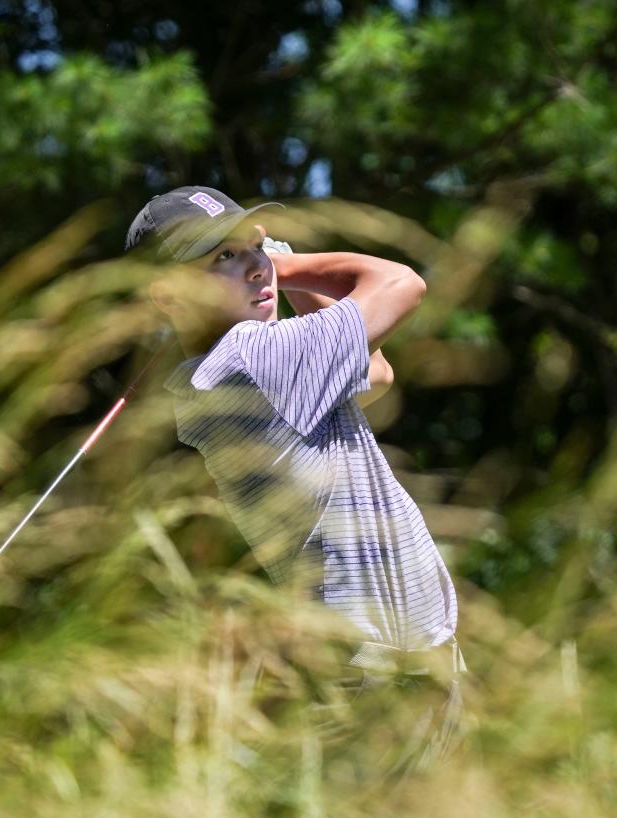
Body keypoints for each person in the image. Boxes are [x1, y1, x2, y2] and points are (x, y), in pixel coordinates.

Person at [124, 185, 468, 779]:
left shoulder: (238, 369)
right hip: (375, 693)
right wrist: (286, 266)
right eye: (221, 259)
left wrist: (265, 273)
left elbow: (377, 372)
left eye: (251, 245)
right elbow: (401, 284)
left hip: (406, 683)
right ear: (169, 297)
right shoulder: (244, 363)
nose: (253, 264)